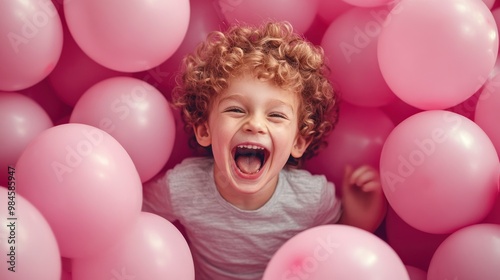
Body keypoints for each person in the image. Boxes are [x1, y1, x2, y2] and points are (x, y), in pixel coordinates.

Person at [142, 21, 387, 280]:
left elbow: (337, 251)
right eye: (236, 110)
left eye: (276, 115)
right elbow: (136, 217)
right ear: (204, 131)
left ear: (298, 142)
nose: (255, 124)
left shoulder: (311, 198)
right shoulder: (183, 186)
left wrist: (361, 219)